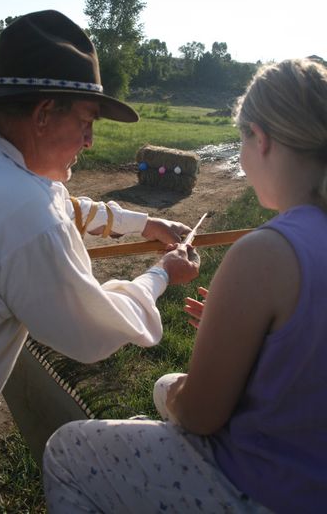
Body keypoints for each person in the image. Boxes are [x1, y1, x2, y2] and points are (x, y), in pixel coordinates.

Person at [0, 10, 200, 512]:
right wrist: (163, 274)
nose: (90, 141)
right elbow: (92, 332)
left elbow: (60, 202)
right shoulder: (22, 210)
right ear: (43, 113)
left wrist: (142, 224)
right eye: (86, 122)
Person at [43, 57, 327, 514]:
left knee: (68, 449)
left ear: (262, 139)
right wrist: (245, 339)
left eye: (241, 139)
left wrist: (178, 405)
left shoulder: (264, 254)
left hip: (268, 488)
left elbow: (199, 415)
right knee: (161, 387)